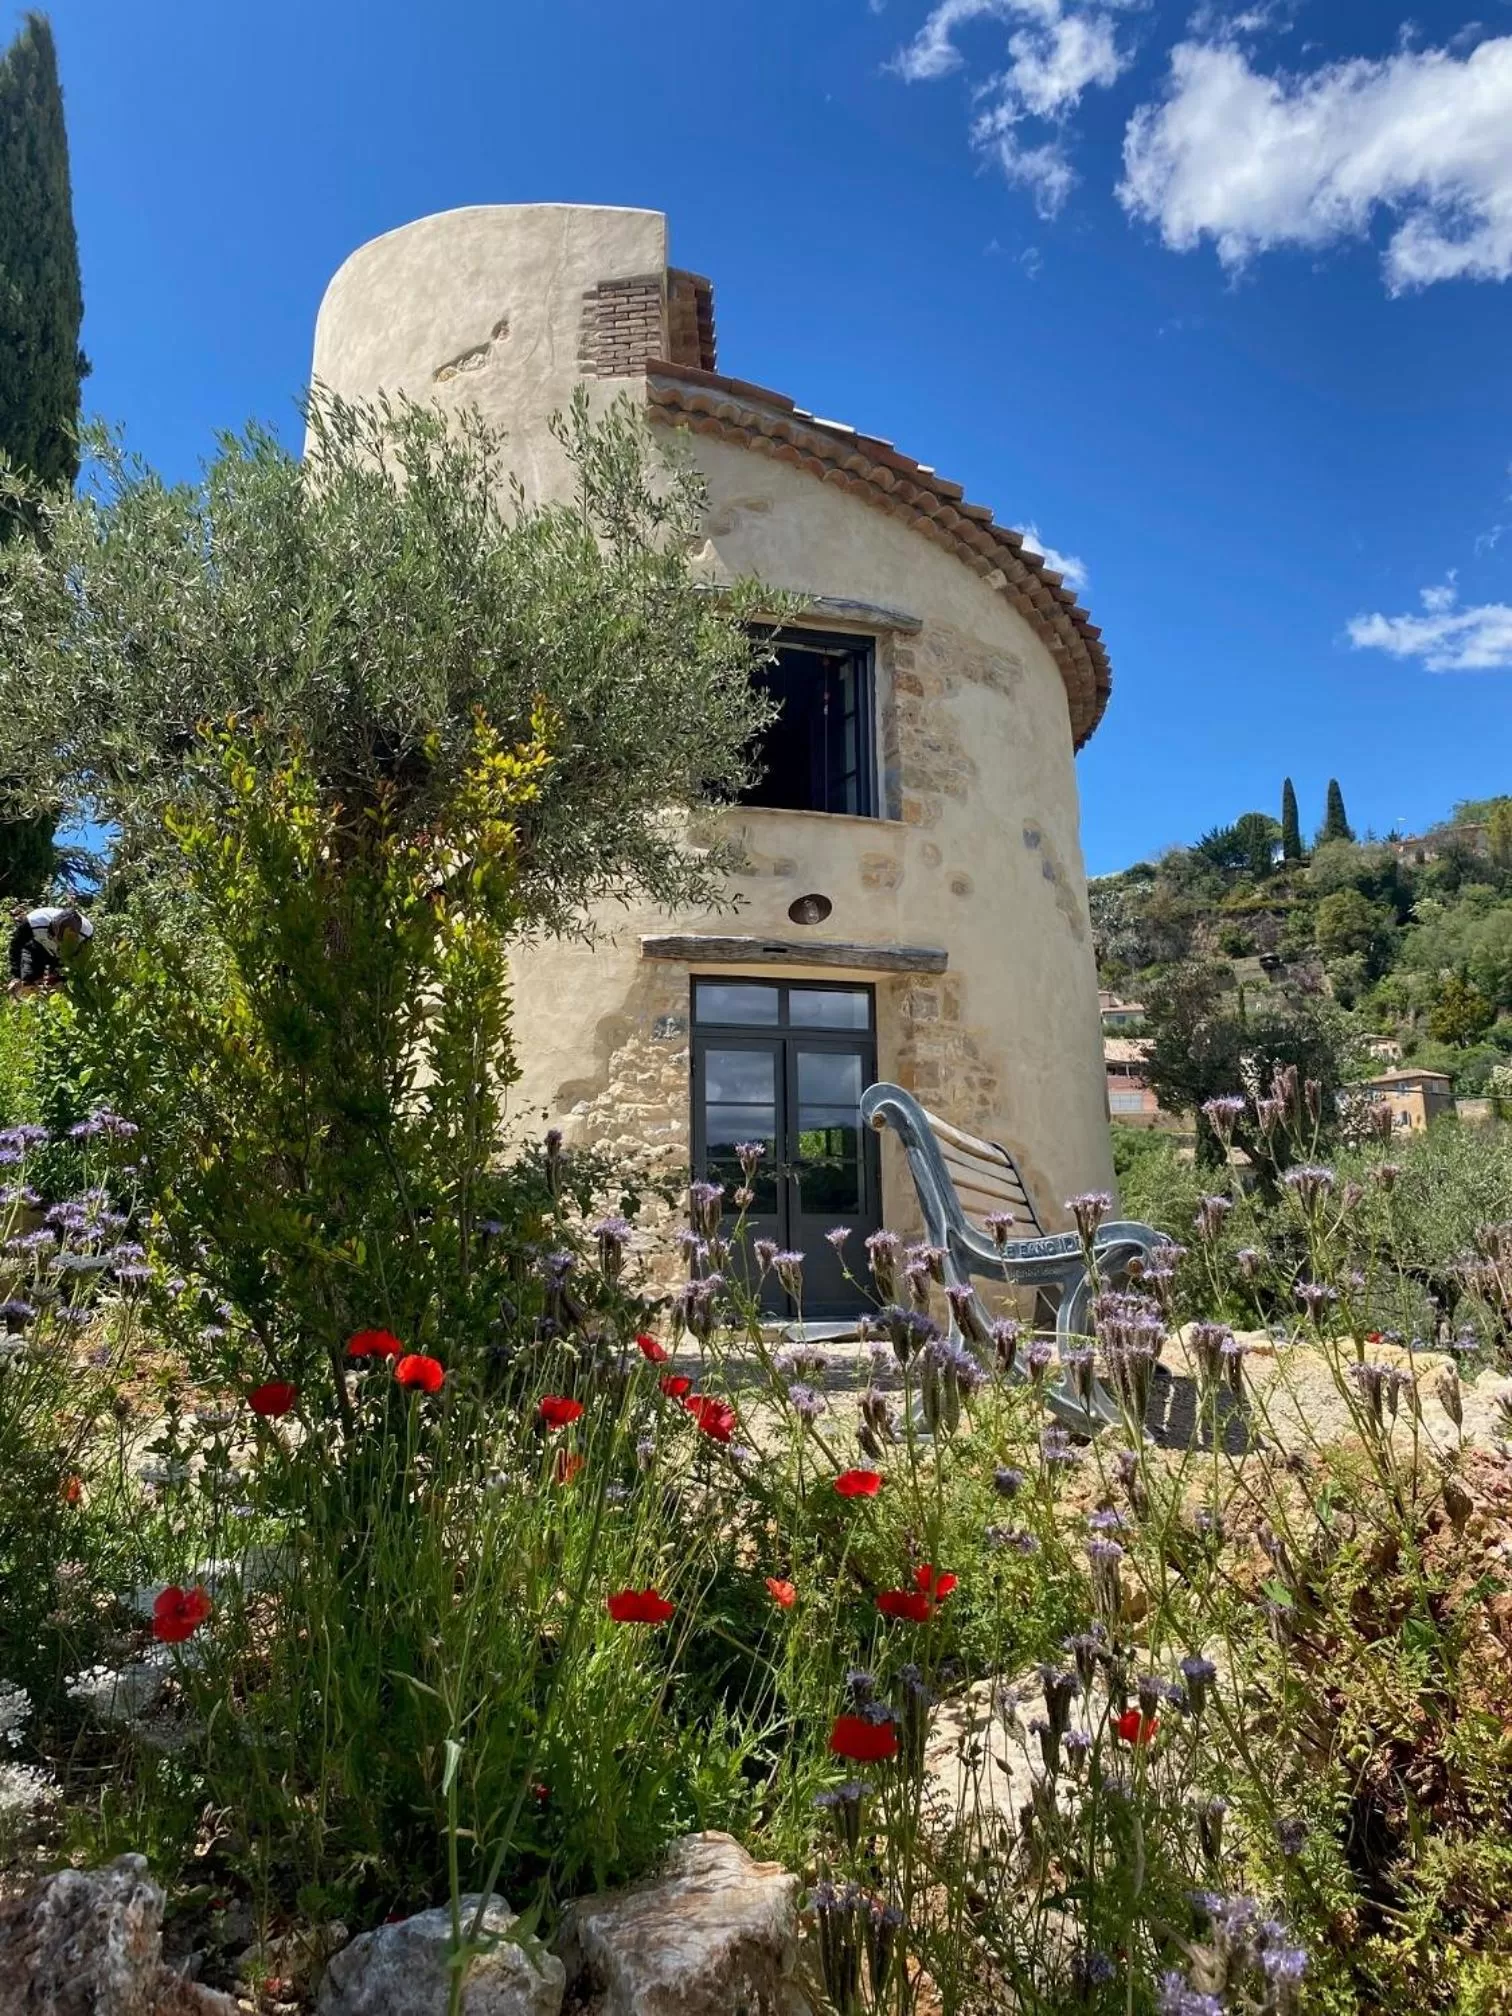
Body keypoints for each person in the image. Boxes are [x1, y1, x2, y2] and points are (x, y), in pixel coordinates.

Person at [8, 904, 93, 996]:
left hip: (64, 955)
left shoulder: (86, 934)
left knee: (60, 986)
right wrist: (16, 976)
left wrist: (62, 979)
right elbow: (16, 946)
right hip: (37, 948)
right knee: (27, 981)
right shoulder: (34, 921)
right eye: (54, 937)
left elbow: (80, 962)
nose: (56, 942)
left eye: (62, 941)